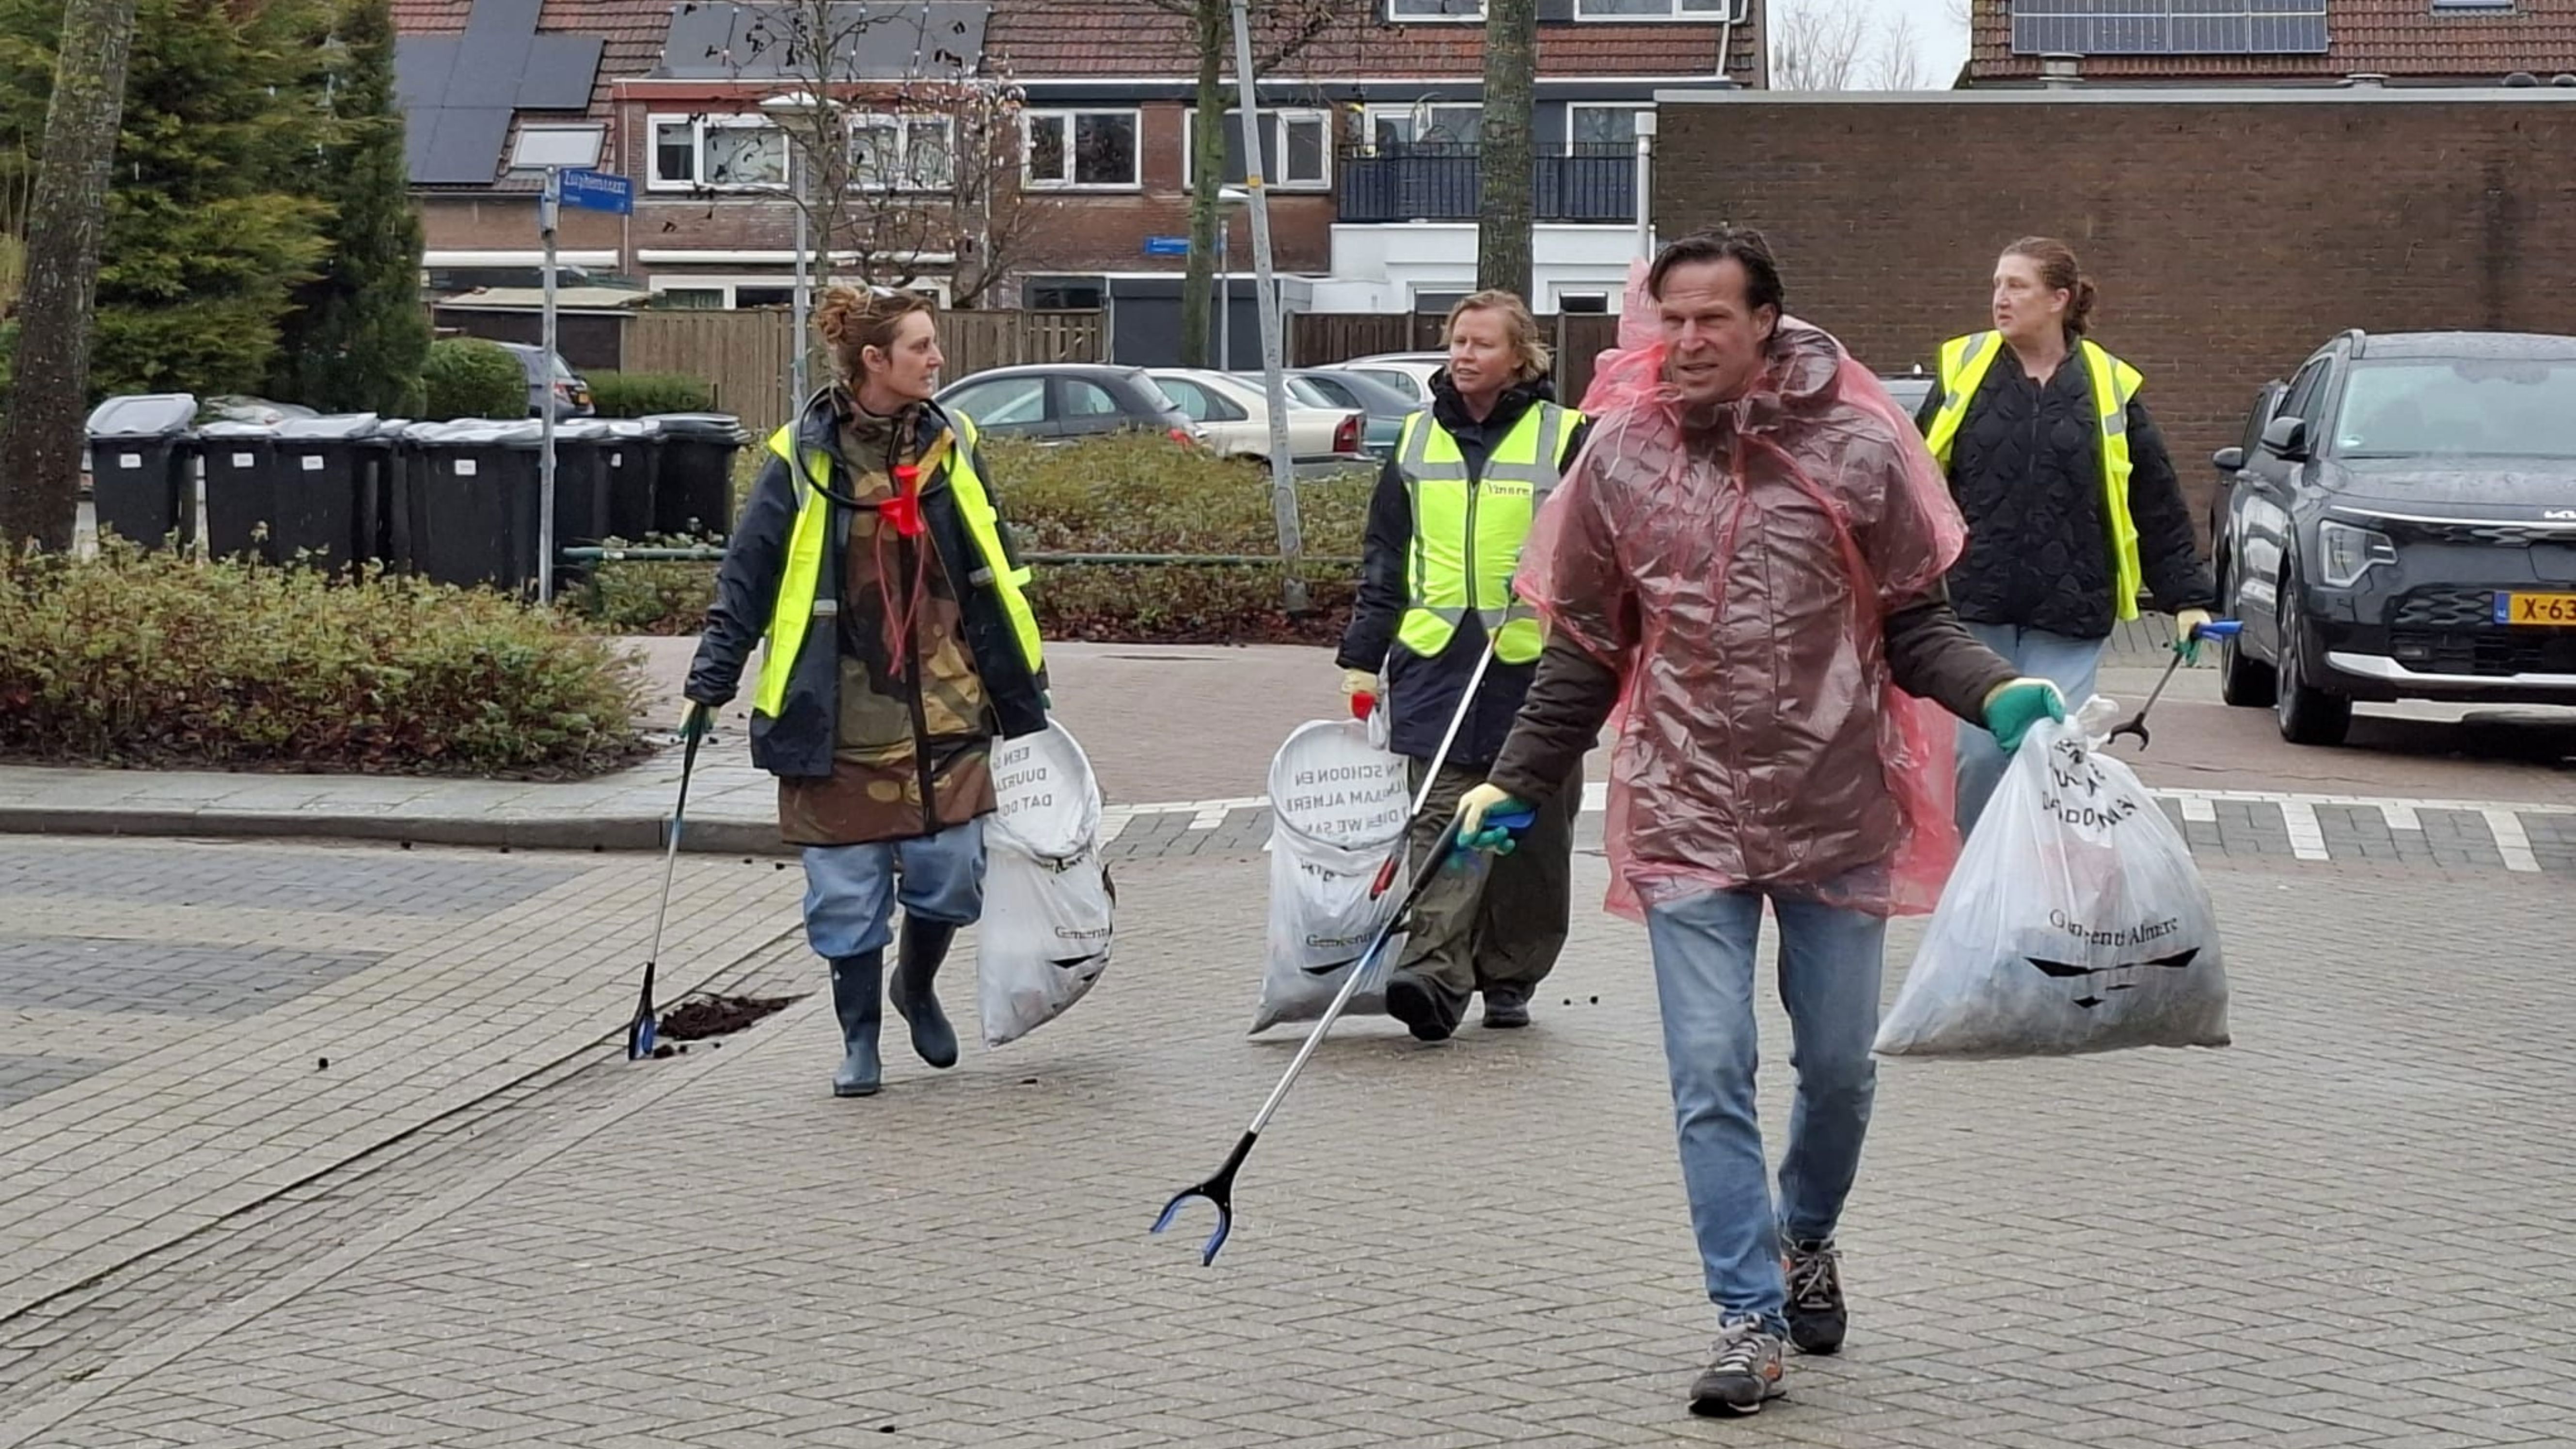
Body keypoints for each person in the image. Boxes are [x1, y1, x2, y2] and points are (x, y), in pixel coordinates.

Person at [1449, 230, 2066, 1416]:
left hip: (1833, 804)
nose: (1682, 342)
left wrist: (1994, 691)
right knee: (1707, 1067)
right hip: (1683, 808)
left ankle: (1806, 1235)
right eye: (1667, 319)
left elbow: (1914, 622)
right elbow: (1584, 650)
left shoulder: (1855, 451)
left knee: (1836, 1070)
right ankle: (1746, 1316)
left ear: (1764, 322)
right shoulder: (1619, 457)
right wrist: (1514, 781)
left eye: (1709, 320)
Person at [681, 288, 1049, 1099]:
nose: (937, 359)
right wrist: (711, 679)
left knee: (953, 874)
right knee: (845, 895)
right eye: (921, 347)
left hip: (946, 701)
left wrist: (1023, 678)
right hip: (836, 709)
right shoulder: (801, 457)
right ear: (874, 361)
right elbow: (747, 577)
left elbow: (996, 559)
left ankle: (914, 985)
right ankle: (860, 1039)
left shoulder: (954, 443)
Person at [1334, 290, 1591, 1042]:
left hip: (1535, 664)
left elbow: (1602, 550)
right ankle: (1432, 975)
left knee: (1527, 830)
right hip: (1435, 660)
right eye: (1457, 341)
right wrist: (1361, 657)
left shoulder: (1566, 437)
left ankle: (1509, 973)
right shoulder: (1415, 439)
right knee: (1441, 816)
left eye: (1482, 343)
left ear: (1520, 356)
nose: (1464, 355)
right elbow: (1384, 558)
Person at [1916, 236, 2216, 832]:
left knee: (2052, 752)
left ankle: (2042, 874)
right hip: (1974, 601)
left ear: (2058, 298)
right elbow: (1913, 478)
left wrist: (2187, 599)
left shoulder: (2107, 383)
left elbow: (2153, 498)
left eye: (2016, 286)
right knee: (1978, 756)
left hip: (2070, 605)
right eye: (1996, 285)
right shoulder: (1963, 370)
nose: (2000, 299)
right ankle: (1979, 871)